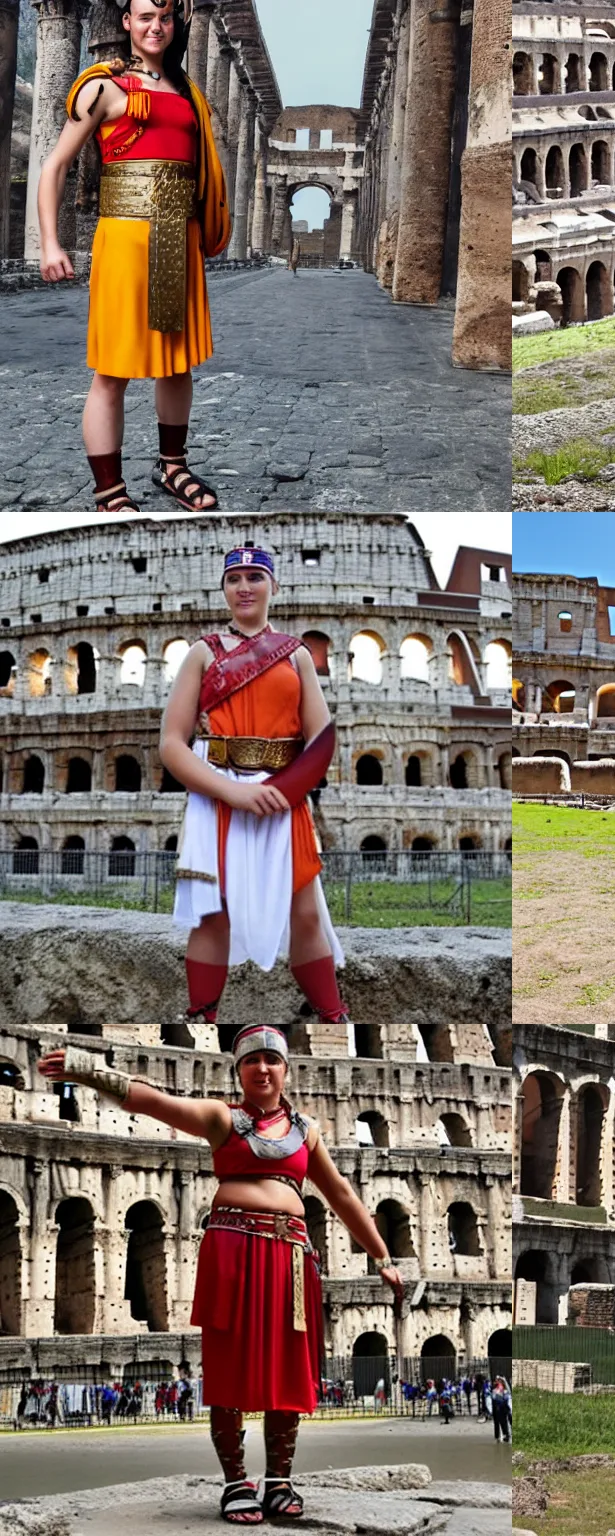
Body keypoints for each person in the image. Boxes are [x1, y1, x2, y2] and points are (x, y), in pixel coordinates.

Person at [38, 1025, 405, 1523]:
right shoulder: (223, 1118)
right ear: (239, 1072)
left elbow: (340, 1195)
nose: (262, 1069)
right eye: (251, 1061)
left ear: (285, 1070)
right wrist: (85, 1069)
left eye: (271, 1060)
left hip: (290, 1257)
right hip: (234, 1250)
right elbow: (155, 1102)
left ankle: (279, 1481)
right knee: (229, 1365)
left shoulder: (307, 1132)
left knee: (285, 1367)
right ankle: (236, 1483)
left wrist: (382, 1257)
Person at [37, 0, 229, 515]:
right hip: (124, 240)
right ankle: (108, 492)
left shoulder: (189, 94)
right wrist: (50, 243)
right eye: (145, 16)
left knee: (177, 365)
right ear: (127, 22)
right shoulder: (104, 86)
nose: (155, 27)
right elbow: (55, 166)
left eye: (165, 18)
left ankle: (173, 466)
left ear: (175, 23)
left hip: (180, 240)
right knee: (112, 370)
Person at [162, 543, 350, 1041]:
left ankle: (334, 1013)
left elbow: (322, 736)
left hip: (284, 795)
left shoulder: (296, 655)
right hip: (218, 794)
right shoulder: (203, 652)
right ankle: (202, 1013)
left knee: (305, 910)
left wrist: (285, 791)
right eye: (234, 578)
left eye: (255, 577)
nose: (244, 586)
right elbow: (172, 744)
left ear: (274, 587)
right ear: (223, 589)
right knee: (213, 912)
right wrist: (233, 792)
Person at [490, 1377, 510, 1443]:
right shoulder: (494, 1390)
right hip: (496, 1409)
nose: (498, 1382)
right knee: (497, 1423)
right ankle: (497, 1436)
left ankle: (506, 1435)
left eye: (499, 1381)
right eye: (497, 1381)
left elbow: (506, 1398)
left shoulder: (505, 1390)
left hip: (502, 1409)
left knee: (504, 1423)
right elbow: (493, 1399)